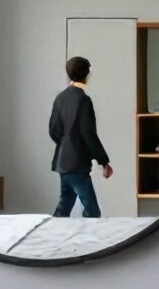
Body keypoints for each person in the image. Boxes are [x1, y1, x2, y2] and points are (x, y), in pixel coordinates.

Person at [47, 55, 112, 218]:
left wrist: (66, 144)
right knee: (92, 211)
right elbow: (88, 134)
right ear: (86, 74)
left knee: (64, 207)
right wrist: (103, 161)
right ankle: (88, 242)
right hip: (76, 164)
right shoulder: (83, 100)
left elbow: (53, 131)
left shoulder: (60, 98)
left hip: (63, 162)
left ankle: (55, 237)